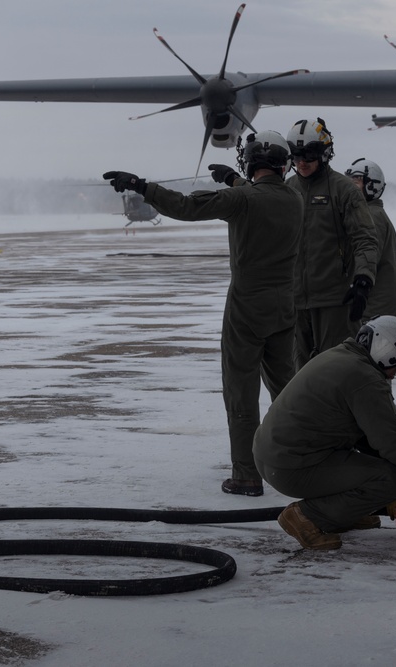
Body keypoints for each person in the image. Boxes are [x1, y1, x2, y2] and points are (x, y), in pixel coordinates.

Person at [103, 130, 303, 498]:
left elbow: (185, 207)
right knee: (287, 388)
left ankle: (246, 475)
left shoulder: (242, 199)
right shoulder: (294, 198)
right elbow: (263, 193)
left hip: (247, 307)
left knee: (241, 391)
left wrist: (142, 186)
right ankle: (304, 462)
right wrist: (231, 179)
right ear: (283, 164)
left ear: (252, 163)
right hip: (284, 306)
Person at [252, 315, 396, 550]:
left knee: (373, 465)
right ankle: (307, 517)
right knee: (391, 481)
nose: (394, 373)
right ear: (387, 350)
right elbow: (390, 440)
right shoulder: (365, 378)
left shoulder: (341, 355)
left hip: (272, 456)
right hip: (292, 467)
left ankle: (342, 513)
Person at [286, 118, 379, 368]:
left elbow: (365, 239)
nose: (302, 163)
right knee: (299, 375)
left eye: (308, 155)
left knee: (339, 369)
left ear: (325, 153)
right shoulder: (288, 189)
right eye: (296, 156)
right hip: (295, 302)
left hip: (334, 302)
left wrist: (363, 280)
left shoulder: (344, 191)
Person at [345, 158, 396, 321]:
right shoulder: (373, 214)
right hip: (377, 309)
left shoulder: (372, 217)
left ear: (371, 186)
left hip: (373, 310)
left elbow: (367, 260)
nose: (349, 188)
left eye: (355, 183)